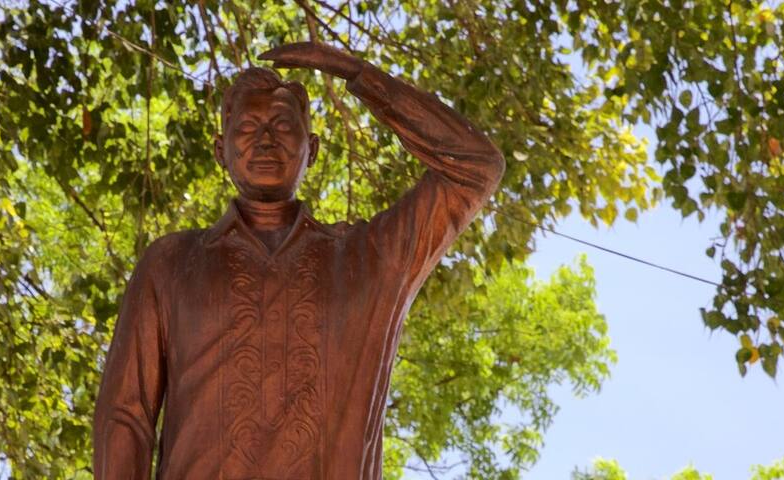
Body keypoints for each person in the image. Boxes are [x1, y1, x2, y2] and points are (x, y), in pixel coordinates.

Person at [93, 41, 506, 479]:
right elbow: (125, 415)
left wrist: (359, 75)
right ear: (220, 151)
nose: (266, 139)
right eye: (248, 127)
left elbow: (477, 166)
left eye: (282, 125)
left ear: (312, 149)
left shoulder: (372, 259)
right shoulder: (171, 262)